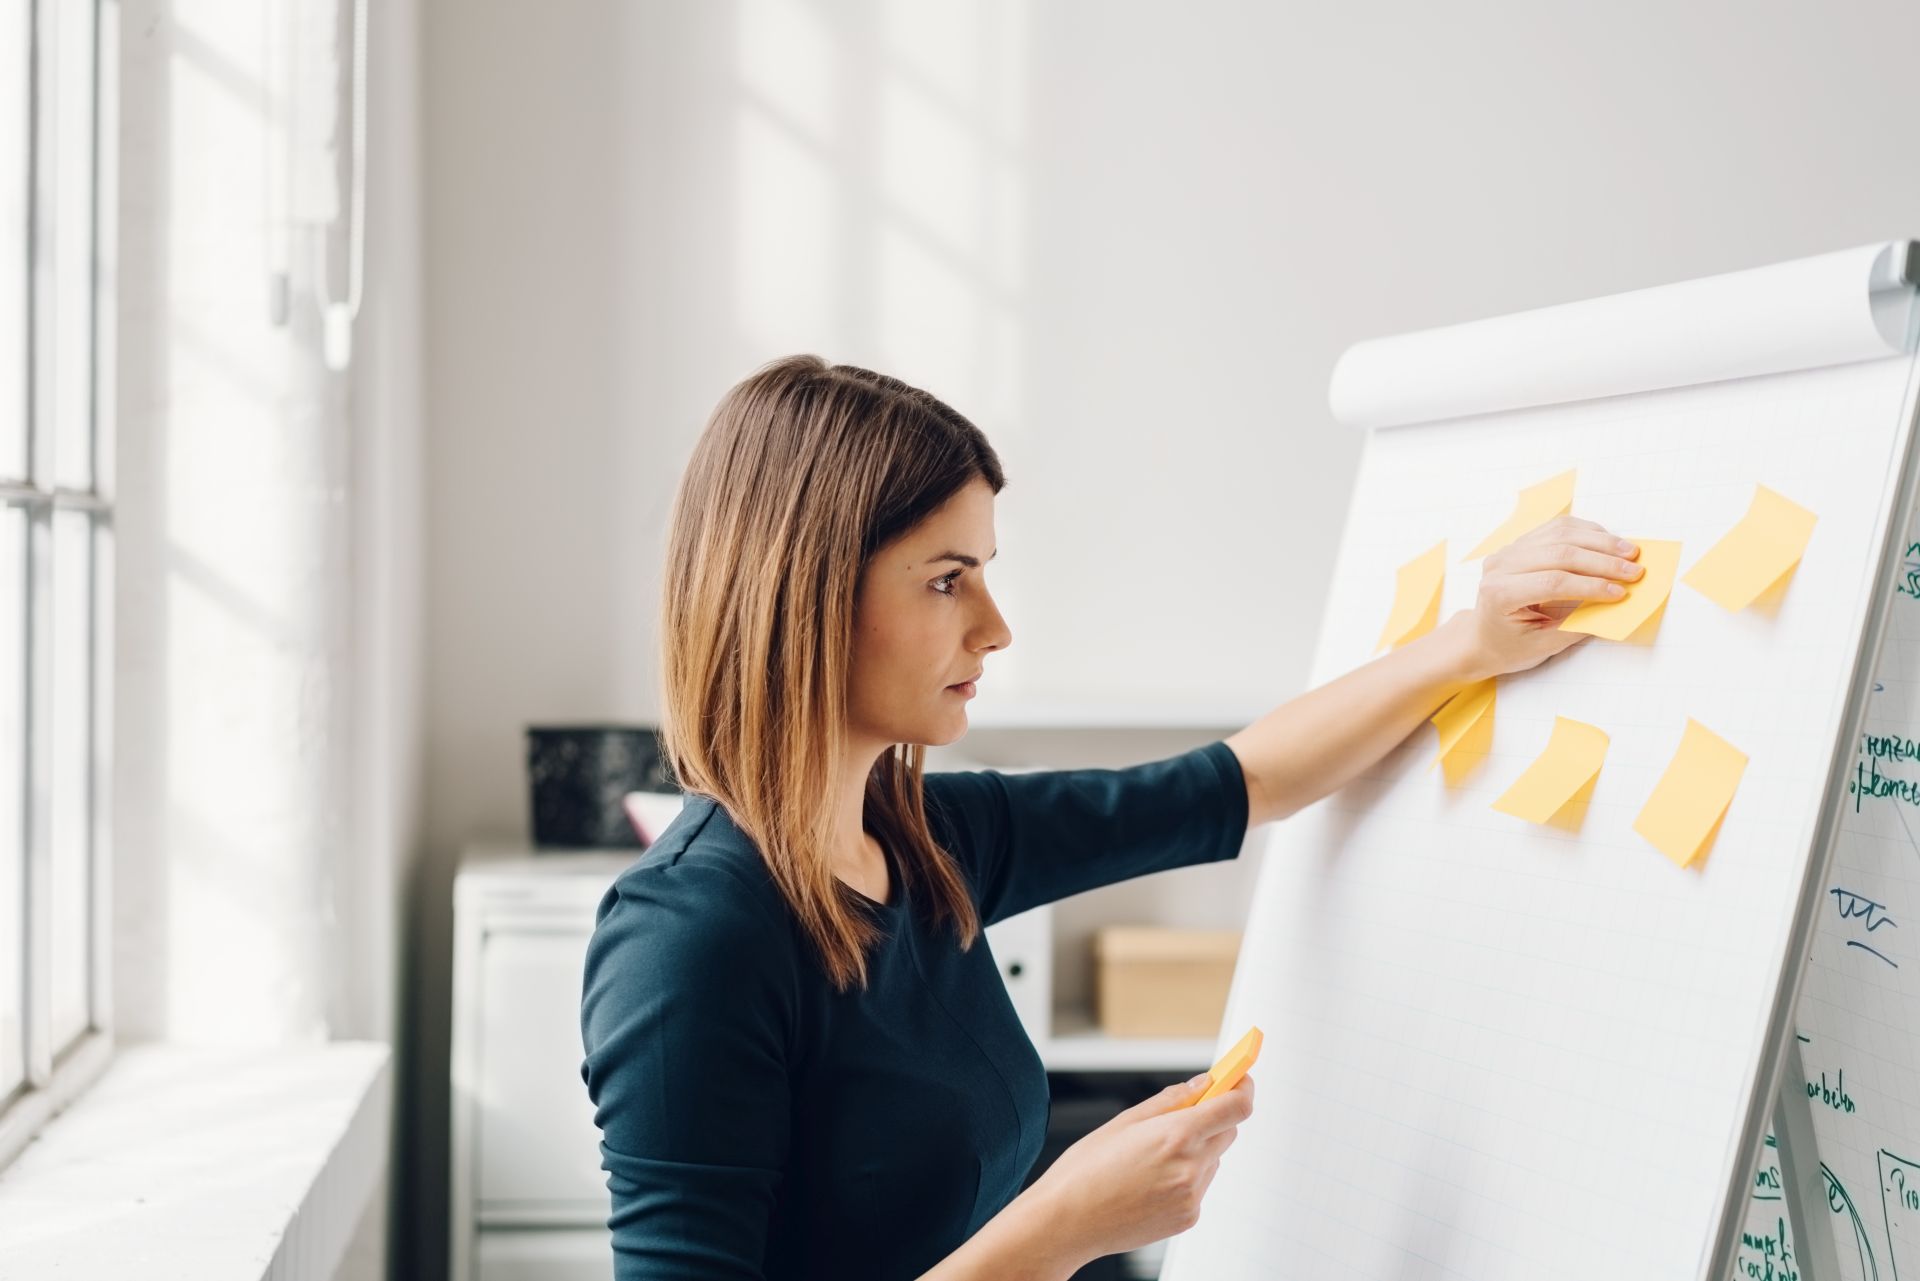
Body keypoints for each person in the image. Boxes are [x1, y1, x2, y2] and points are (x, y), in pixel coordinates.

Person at [578, 355, 1643, 1280]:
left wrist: (1476, 644)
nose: (996, 628)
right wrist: (1060, 1229)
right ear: (802, 594)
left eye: (985, 574)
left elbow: (1242, 782)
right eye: (949, 581)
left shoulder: (925, 842)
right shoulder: (690, 942)